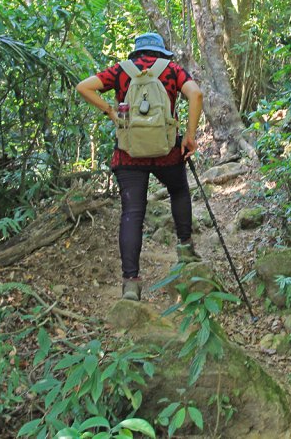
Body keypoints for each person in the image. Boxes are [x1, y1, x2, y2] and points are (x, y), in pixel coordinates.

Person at [76, 32, 204, 301]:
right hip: (167, 150)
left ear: (137, 52)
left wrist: (111, 112)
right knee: (179, 190)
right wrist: (190, 136)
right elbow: (196, 94)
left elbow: (83, 87)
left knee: (132, 212)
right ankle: (185, 248)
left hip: (129, 153)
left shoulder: (122, 72)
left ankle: (131, 283)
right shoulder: (172, 69)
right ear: (160, 52)